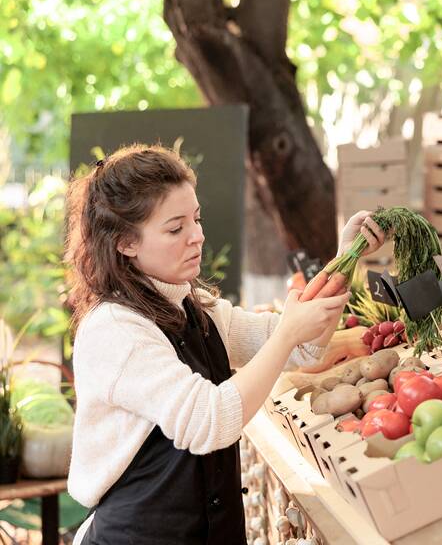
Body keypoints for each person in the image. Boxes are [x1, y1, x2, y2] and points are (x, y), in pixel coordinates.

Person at [64, 144, 385, 544]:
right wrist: (287, 333)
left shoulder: (194, 306)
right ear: (126, 242)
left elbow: (304, 348)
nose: (197, 237)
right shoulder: (114, 330)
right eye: (175, 228)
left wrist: (346, 257)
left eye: (196, 220)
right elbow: (208, 422)